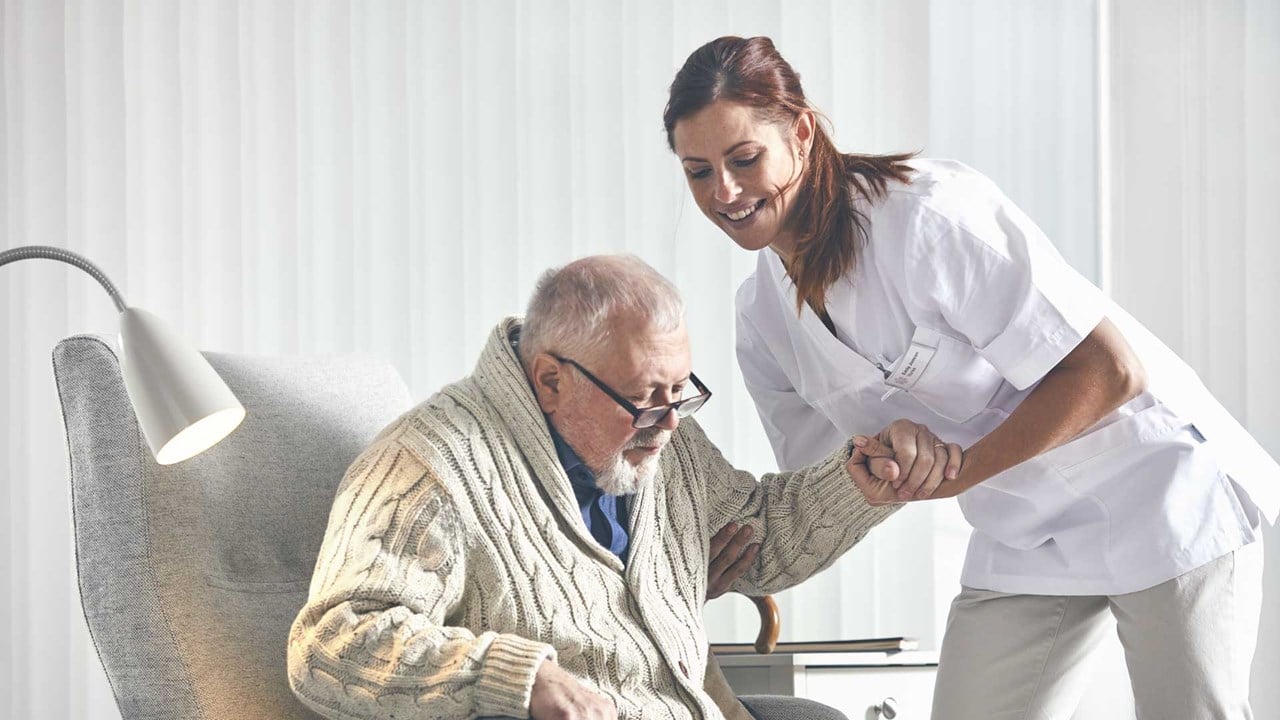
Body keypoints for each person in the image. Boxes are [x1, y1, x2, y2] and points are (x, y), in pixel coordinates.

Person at [663, 35, 1277, 720]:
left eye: (745, 158)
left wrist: (959, 470)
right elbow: (827, 482)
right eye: (698, 172)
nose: (726, 191)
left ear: (801, 133)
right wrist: (728, 551)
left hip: (1159, 488)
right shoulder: (763, 320)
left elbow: (1109, 369)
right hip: (1024, 532)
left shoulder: (925, 217)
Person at [287, 254, 955, 720]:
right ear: (550, 380)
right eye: (642, 399)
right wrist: (519, 677)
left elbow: (759, 535)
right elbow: (332, 643)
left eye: (680, 392)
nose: (667, 425)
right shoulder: (430, 463)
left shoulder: (665, 440)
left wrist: (858, 485)